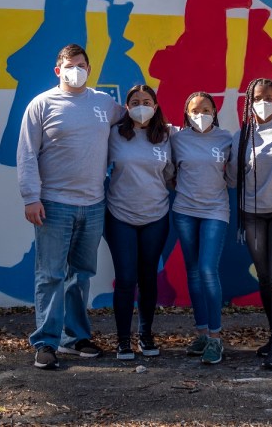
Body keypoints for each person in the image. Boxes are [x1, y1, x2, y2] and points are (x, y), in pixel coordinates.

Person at [17, 43, 122, 369]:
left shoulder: (104, 104)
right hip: (54, 205)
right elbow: (27, 153)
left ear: (89, 70)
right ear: (57, 70)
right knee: (50, 275)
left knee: (81, 275)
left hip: (93, 205)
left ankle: (76, 337)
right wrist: (30, 197)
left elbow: (136, 122)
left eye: (81, 65)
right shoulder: (42, 105)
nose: (76, 70)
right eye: (70, 65)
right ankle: (46, 342)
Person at [230, 78, 272, 369]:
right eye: (258, 97)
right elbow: (233, 177)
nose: (264, 102)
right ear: (249, 101)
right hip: (252, 213)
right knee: (264, 277)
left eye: (270, 97)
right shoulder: (241, 135)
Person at [104, 85, 174, 360]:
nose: (141, 105)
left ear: (155, 107)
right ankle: (123, 340)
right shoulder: (113, 135)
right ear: (126, 106)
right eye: (135, 101)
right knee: (125, 279)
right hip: (120, 215)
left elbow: (173, 173)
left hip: (156, 216)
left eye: (146, 101)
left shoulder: (168, 135)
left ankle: (146, 335)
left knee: (148, 279)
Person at [170, 92, 233, 365]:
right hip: (184, 211)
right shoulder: (177, 139)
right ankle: (202, 333)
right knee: (193, 272)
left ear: (214, 110)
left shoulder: (226, 138)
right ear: (186, 113)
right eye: (194, 110)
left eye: (205, 109)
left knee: (208, 269)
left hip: (216, 211)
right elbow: (168, 172)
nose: (200, 114)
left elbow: (232, 176)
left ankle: (216, 338)